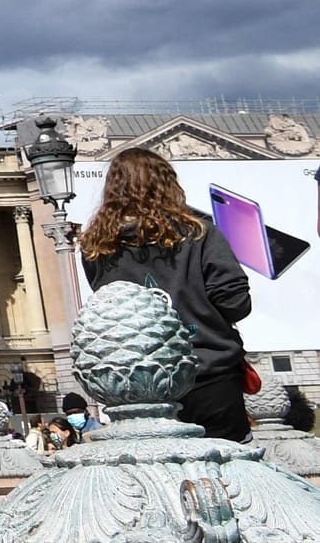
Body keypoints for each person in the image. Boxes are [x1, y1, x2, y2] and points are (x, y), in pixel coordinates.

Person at [79, 147, 254, 441]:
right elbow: (235, 302)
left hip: (139, 383)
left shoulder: (97, 246)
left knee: (151, 478)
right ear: (168, 184)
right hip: (208, 371)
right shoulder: (200, 232)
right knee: (231, 473)